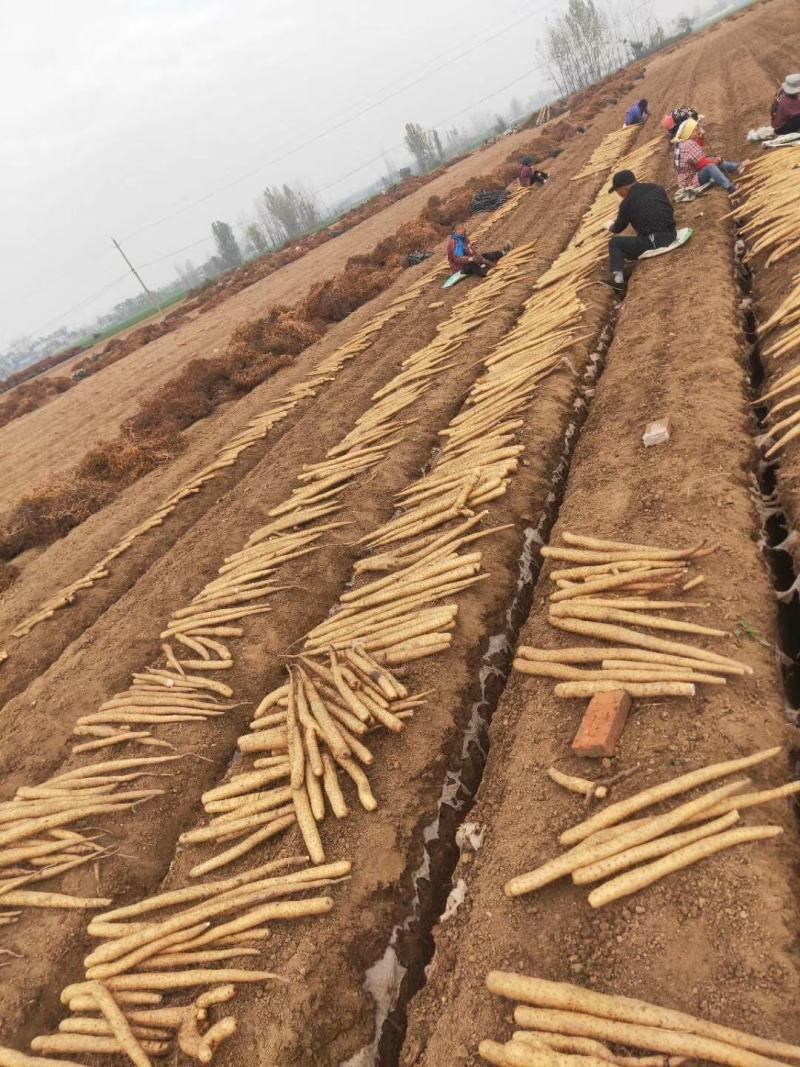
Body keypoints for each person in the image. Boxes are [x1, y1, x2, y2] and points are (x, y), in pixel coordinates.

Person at [605, 170, 677, 290]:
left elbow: (618, 228)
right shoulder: (656, 188)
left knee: (615, 243)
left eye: (618, 192)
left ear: (623, 189)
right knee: (639, 236)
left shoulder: (626, 203)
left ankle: (618, 282)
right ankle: (630, 264)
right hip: (671, 234)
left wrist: (609, 226)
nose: (619, 195)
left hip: (655, 241)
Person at [672, 118, 740, 193]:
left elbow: (694, 151)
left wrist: (700, 138)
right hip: (690, 180)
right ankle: (730, 187)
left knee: (712, 161)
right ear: (688, 132)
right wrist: (716, 161)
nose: (696, 133)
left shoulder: (681, 143)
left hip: (685, 179)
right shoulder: (688, 144)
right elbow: (701, 164)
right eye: (694, 131)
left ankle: (737, 166)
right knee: (710, 166)